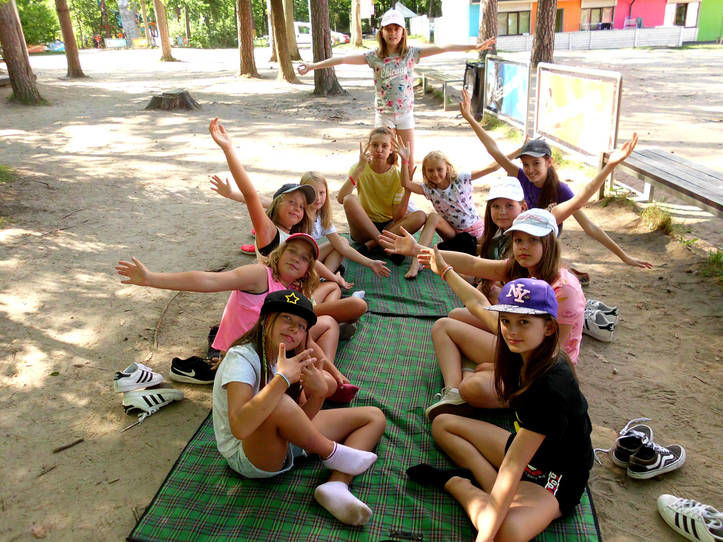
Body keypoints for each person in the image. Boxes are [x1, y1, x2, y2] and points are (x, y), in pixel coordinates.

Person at [407, 277, 593, 542]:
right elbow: (476, 303)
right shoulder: (521, 353)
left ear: (549, 327)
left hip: (554, 476)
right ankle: (486, 490)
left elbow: (513, 467)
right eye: (506, 321)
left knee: (505, 533)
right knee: (443, 424)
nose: (511, 331)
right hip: (524, 451)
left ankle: (458, 485)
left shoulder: (551, 386)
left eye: (524, 322)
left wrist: (483, 539)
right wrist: (443, 270)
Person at [382, 209, 585, 417]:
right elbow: (474, 264)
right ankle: (454, 392)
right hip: (520, 340)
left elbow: (551, 351)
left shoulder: (565, 290)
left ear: (549, 243)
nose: (524, 247)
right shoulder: (523, 268)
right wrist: (418, 250)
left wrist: (498, 363)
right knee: (456, 315)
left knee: (468, 379)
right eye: (518, 240)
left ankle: (463, 385)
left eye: (533, 240)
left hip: (537, 367)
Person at [213, 289, 386, 526]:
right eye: (287, 318)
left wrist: (319, 394)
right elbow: (240, 427)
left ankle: (337, 485)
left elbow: (300, 423)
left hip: (281, 440)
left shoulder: (292, 358)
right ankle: (332, 453)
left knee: (373, 416)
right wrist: (282, 380)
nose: (294, 329)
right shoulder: (241, 357)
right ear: (265, 320)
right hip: (245, 453)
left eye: (302, 326)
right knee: (278, 401)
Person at [116, 233, 348, 389]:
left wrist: (334, 371)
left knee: (327, 329)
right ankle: (319, 383)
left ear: (308, 269)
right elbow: (209, 281)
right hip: (245, 361)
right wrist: (152, 279)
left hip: (275, 353)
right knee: (323, 381)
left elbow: (306, 341)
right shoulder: (260, 275)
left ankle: (323, 377)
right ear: (280, 254)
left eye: (304, 258)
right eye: (292, 251)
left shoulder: (295, 291)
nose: (296, 259)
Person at [459, 89, 652, 271]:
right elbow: (494, 150)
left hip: (542, 245)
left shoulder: (561, 192)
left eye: (536, 163)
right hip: (519, 239)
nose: (530, 170)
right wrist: (470, 118)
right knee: (478, 248)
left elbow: (590, 226)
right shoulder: (520, 176)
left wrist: (624, 256)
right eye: (525, 164)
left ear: (549, 162)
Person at [209, 118, 367, 327]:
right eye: (291, 202)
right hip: (285, 303)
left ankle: (322, 320)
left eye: (301, 206)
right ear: (277, 205)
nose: (297, 208)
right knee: (356, 305)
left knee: (334, 288)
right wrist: (228, 149)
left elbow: (315, 262)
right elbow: (251, 195)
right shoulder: (270, 233)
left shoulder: (295, 236)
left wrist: (333, 278)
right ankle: (321, 320)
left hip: (298, 295)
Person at [297, 8, 495, 172]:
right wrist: (312, 66)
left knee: (408, 160)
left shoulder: (412, 53)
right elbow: (341, 60)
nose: (393, 33)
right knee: (384, 158)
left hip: (405, 114)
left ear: (403, 32)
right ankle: (386, 194)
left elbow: (444, 48)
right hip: (384, 115)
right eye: (388, 29)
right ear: (382, 32)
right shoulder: (373, 56)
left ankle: (405, 196)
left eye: (396, 29)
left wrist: (475, 46)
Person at [211, 171, 391, 279]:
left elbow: (341, 247)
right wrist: (231, 193)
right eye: (315, 193)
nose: (319, 198)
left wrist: (370, 263)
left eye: (322, 193)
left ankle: (322, 278)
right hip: (287, 260)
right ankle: (321, 278)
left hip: (307, 260)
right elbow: (255, 200)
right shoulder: (292, 211)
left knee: (342, 242)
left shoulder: (321, 216)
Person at [394, 136, 521, 279]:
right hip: (453, 233)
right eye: (430, 171)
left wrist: (519, 150)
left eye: (439, 169)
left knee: (485, 253)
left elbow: (493, 167)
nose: (435, 174)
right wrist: (404, 160)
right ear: (425, 172)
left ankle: (467, 255)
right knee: (433, 217)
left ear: (448, 168)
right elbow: (406, 183)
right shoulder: (429, 189)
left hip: (475, 233)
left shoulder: (461, 179)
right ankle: (416, 264)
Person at [337, 127, 426, 266]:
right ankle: (384, 245)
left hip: (388, 228)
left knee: (421, 216)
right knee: (349, 199)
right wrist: (359, 169)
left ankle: (372, 245)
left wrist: (407, 190)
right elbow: (341, 198)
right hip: (363, 227)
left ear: (391, 149)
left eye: (384, 146)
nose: (379, 150)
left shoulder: (397, 174)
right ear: (369, 147)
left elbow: (397, 217)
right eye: (375, 145)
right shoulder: (359, 167)